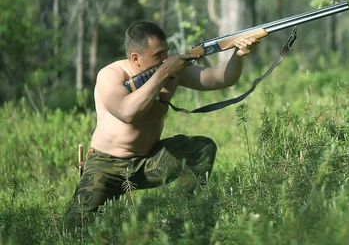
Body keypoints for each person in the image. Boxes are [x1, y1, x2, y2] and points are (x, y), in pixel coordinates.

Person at [64, 21, 258, 226]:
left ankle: (182, 220)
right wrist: (164, 73)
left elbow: (221, 78)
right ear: (136, 58)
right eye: (158, 55)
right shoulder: (110, 75)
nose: (166, 59)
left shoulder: (173, 70)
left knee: (202, 148)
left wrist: (238, 55)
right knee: (73, 226)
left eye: (167, 52)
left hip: (148, 162)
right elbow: (127, 112)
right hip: (106, 166)